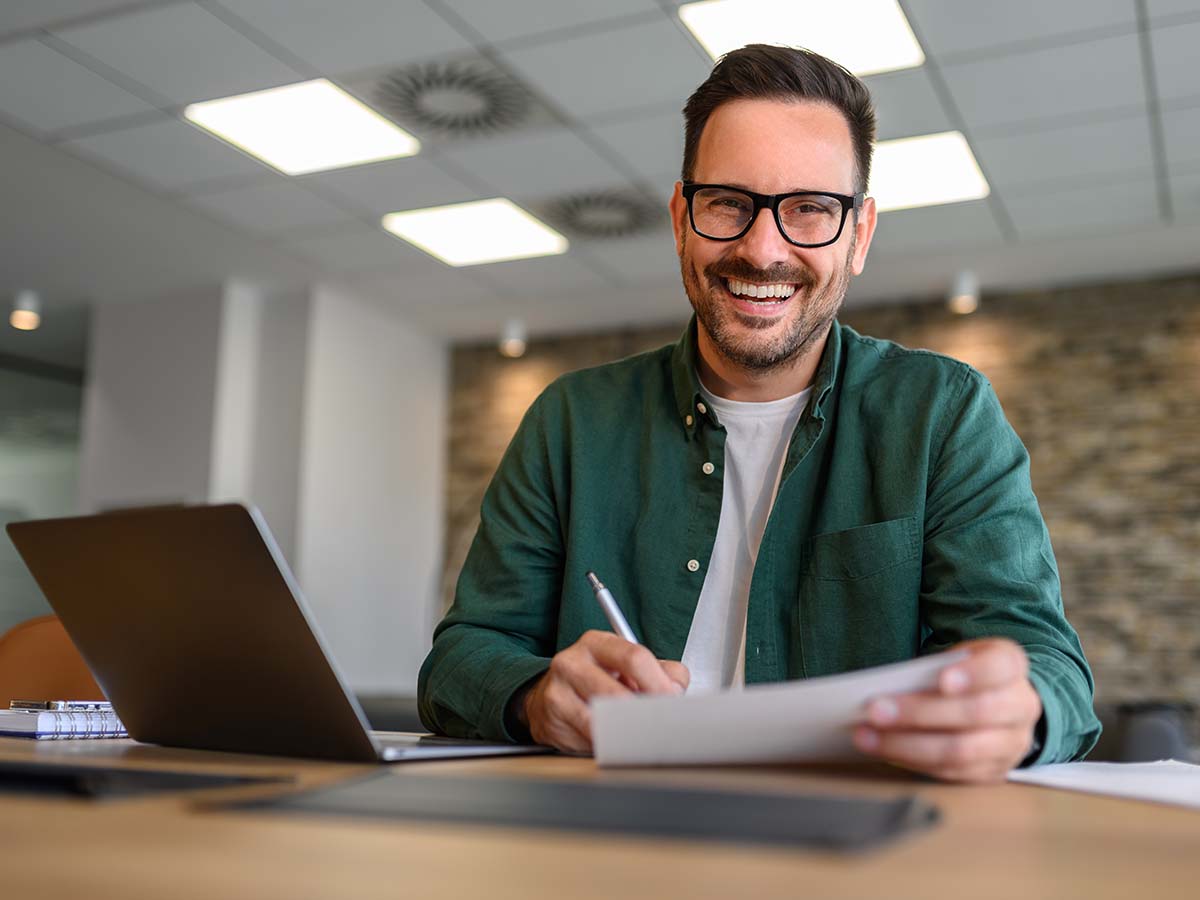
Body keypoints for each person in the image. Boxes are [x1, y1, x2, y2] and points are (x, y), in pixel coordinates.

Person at [418, 44, 1100, 782]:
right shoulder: (569, 421)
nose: (762, 248)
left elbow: (1051, 668)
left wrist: (1016, 710)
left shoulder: (942, 413)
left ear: (859, 235)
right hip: (607, 834)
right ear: (682, 218)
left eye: (810, 208)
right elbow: (460, 658)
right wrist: (533, 695)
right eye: (728, 204)